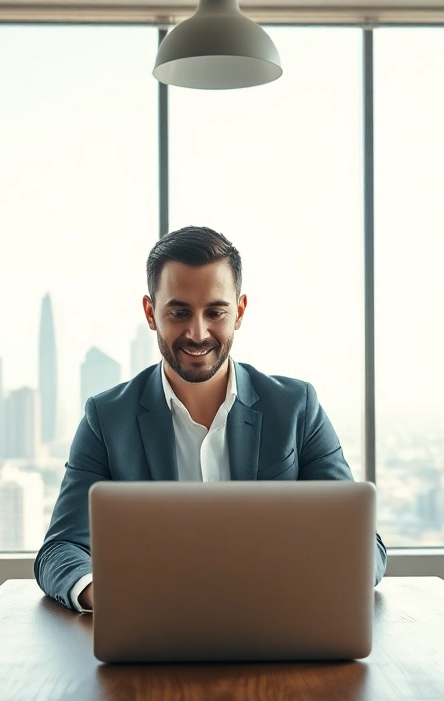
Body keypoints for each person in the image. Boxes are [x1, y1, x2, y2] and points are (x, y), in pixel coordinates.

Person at [34, 226, 387, 612]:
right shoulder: (106, 418)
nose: (197, 332)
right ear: (151, 314)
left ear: (240, 311)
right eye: (179, 312)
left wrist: (313, 584)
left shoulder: (296, 408)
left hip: (277, 631)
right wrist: (104, 595)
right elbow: (60, 549)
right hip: (155, 637)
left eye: (215, 312)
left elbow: (364, 545)